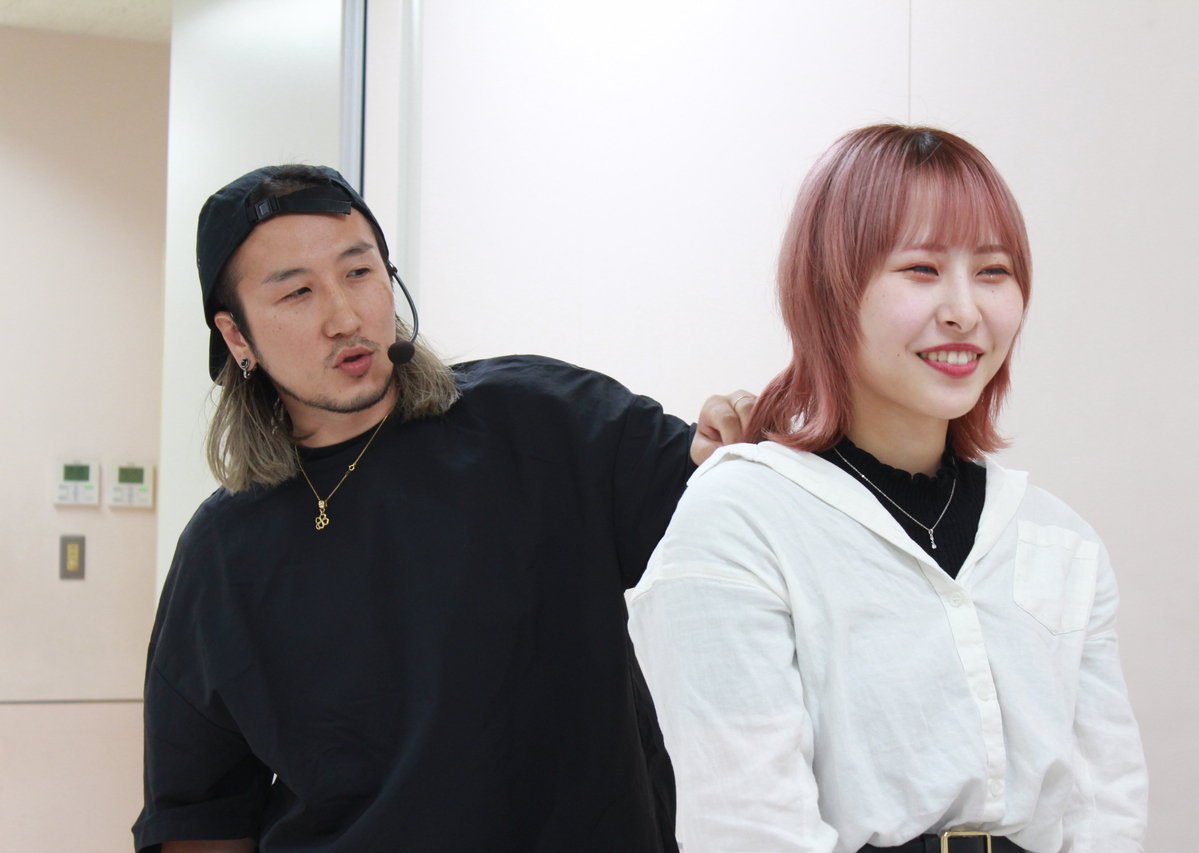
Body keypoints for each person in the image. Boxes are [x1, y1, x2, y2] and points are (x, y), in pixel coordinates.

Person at [131, 164, 753, 853]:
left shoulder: (544, 424)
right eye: (298, 292)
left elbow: (728, 515)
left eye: (359, 272)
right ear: (237, 336)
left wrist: (741, 446)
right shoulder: (221, 553)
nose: (345, 317)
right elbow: (200, 815)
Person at [628, 125, 1147, 853]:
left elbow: (1105, 809)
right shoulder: (742, 517)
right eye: (922, 269)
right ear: (830, 291)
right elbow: (748, 825)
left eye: (993, 271)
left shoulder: (1055, 537)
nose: (964, 310)